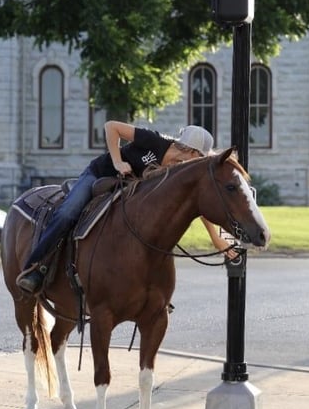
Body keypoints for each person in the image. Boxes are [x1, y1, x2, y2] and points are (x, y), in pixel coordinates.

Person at [16, 120, 236, 294]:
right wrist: (117, 161)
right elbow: (112, 127)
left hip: (127, 190)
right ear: (190, 151)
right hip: (99, 175)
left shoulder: (179, 169)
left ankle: (151, 291)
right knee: (67, 213)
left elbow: (196, 199)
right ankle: (35, 267)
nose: (196, 163)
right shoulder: (155, 141)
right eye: (198, 158)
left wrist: (216, 238)